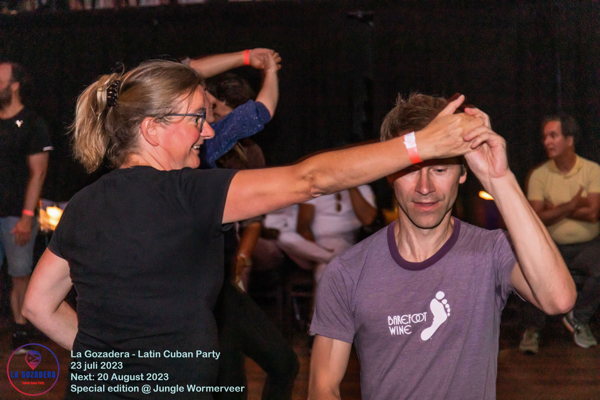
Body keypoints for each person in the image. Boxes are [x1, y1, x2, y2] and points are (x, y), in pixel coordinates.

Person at [21, 60, 483, 399]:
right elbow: (310, 180)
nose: (207, 132)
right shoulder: (188, 195)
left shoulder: (83, 205)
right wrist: (420, 145)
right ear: (153, 129)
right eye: (197, 119)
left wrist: (115, 362)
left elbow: (38, 305)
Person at [308, 93, 576, 400]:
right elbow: (322, 388)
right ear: (389, 173)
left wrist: (499, 179)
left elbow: (559, 300)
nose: (425, 188)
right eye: (411, 168)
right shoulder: (347, 272)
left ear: (463, 172)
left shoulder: (493, 251)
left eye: (440, 169)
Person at [519, 115, 600, 353]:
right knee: (528, 266)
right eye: (545, 137)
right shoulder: (539, 175)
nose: (546, 142)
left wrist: (554, 208)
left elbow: (593, 213)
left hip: (587, 246)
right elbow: (536, 217)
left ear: (569, 140)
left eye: (553, 136)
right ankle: (532, 329)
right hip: (550, 246)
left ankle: (578, 318)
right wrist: (573, 204)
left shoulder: (592, 170)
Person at [0, 61, 52, 354]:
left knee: (20, 274)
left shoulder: (32, 123)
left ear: (15, 85)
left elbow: (38, 173)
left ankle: (21, 330)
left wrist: (27, 216)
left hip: (16, 215)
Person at [297, 186, 377, 284]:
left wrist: (352, 187)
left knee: (329, 269)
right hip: (315, 243)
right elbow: (303, 225)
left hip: (346, 243)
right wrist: (315, 249)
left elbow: (368, 219)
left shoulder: (363, 188)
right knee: (326, 270)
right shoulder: (317, 186)